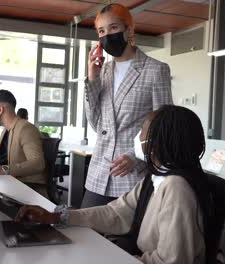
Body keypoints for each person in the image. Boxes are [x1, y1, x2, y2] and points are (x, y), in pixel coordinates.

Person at [15, 105, 216, 264]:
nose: (138, 137)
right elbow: (116, 213)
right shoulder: (155, 179)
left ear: (158, 142)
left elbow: (172, 261)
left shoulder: (177, 189)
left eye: (142, 130)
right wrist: (58, 216)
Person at [82, 3, 173, 207]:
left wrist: (136, 157)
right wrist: (92, 79)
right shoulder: (103, 71)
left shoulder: (155, 70)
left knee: (122, 238)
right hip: (99, 170)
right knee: (84, 229)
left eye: (114, 28)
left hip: (133, 174)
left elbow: (163, 125)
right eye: (101, 31)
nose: (107, 35)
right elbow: (96, 124)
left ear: (129, 30)